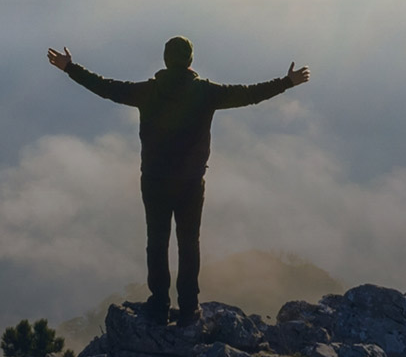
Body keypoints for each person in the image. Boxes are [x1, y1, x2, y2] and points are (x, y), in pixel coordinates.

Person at [47, 36, 308, 325]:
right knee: (188, 243)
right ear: (190, 61)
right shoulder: (206, 93)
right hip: (191, 183)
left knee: (156, 243)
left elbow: (105, 87)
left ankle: (159, 306)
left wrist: (70, 68)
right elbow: (248, 94)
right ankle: (188, 308)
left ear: (165, 60)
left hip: (155, 181)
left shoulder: (148, 92)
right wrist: (287, 82)